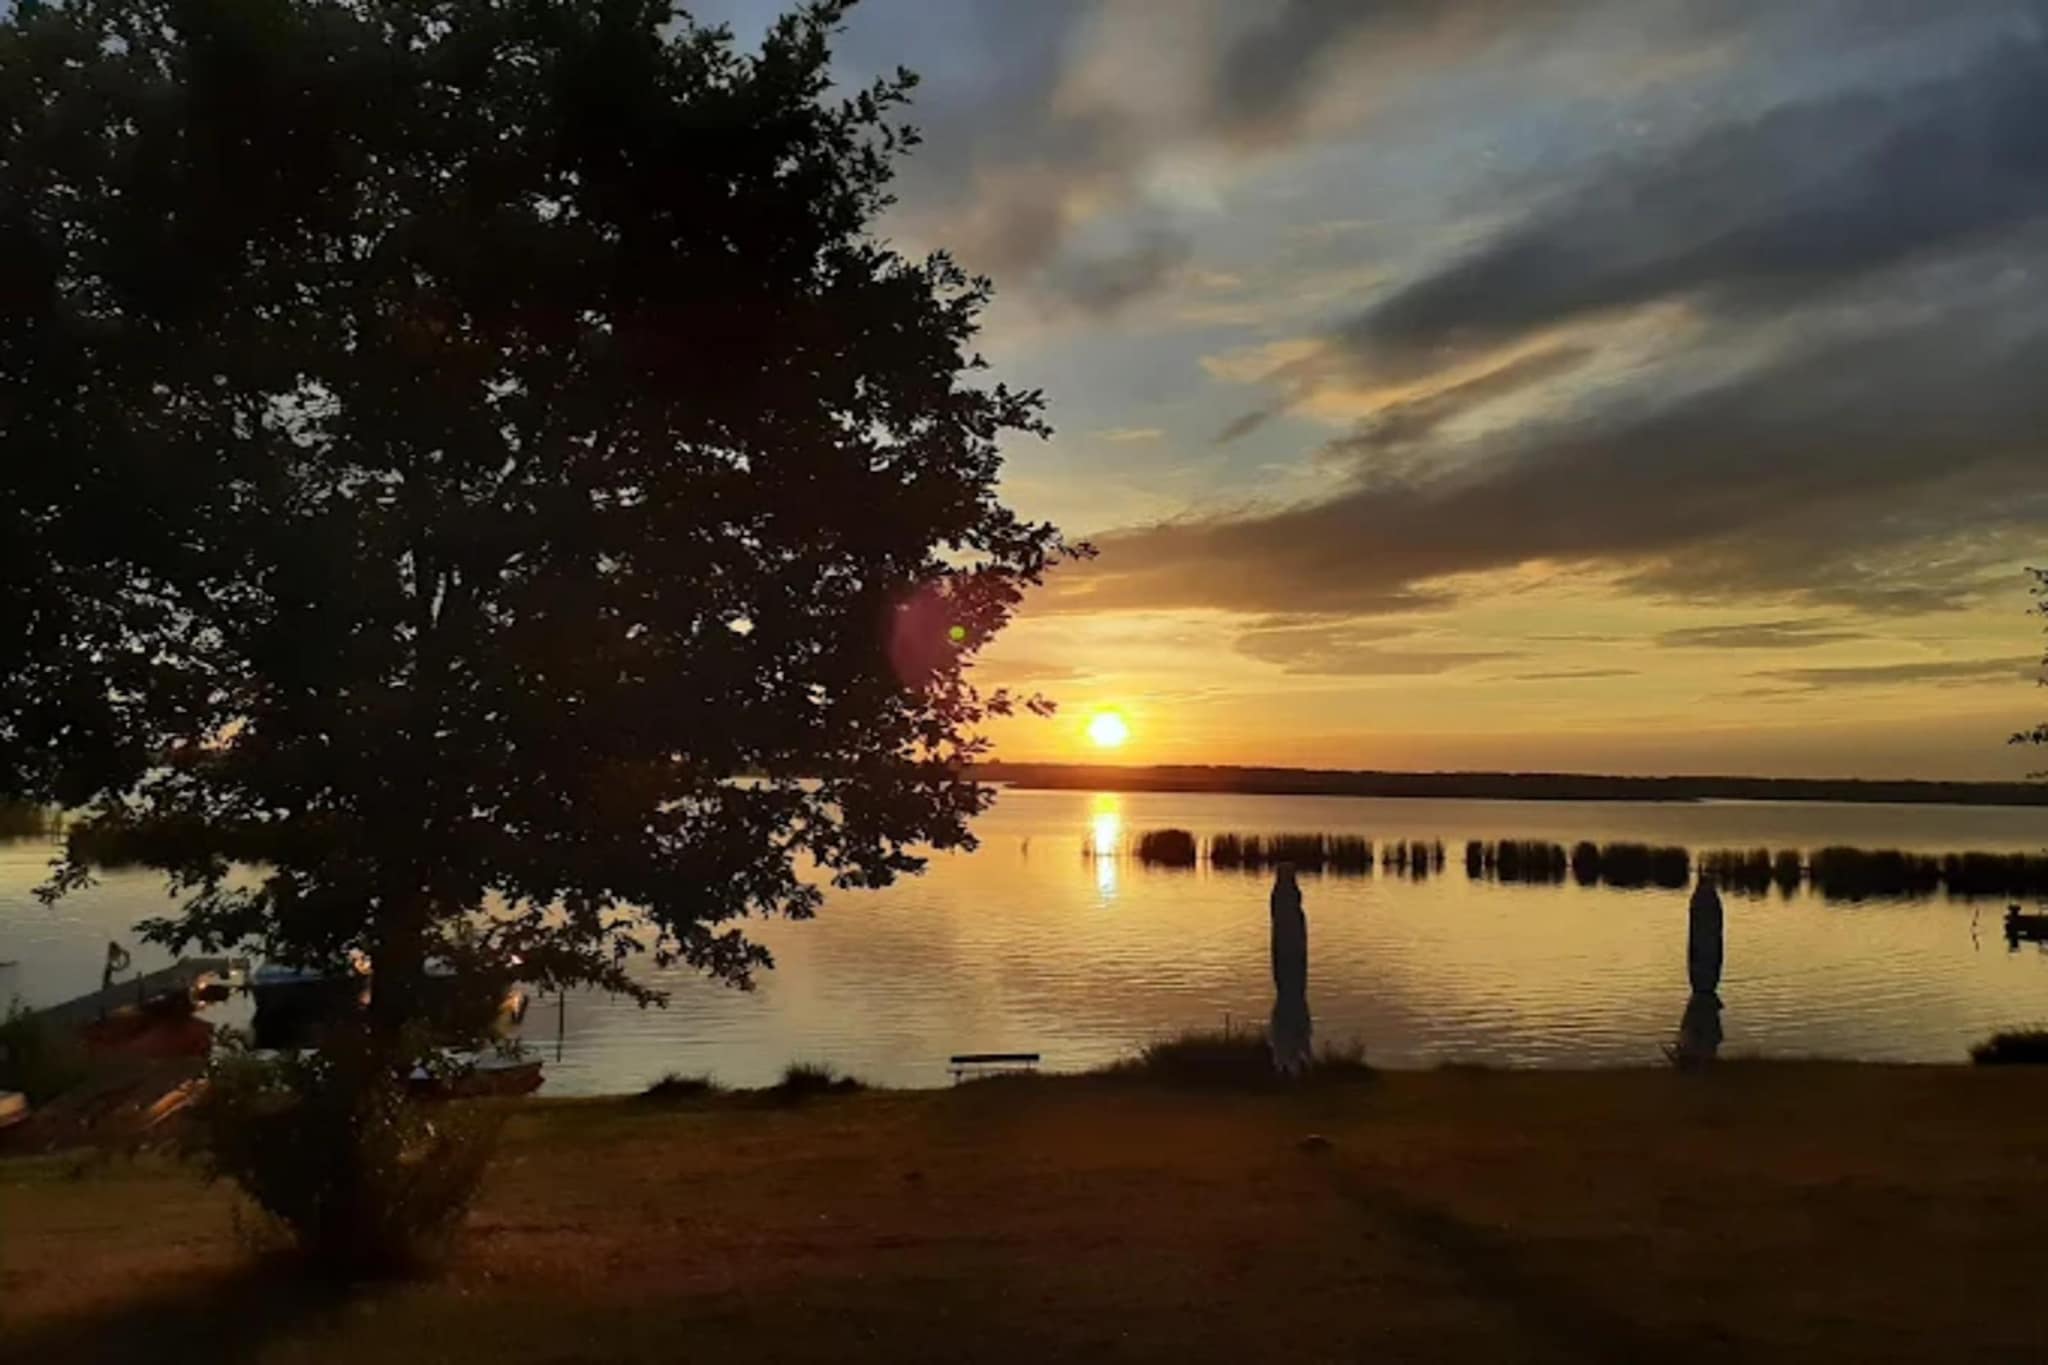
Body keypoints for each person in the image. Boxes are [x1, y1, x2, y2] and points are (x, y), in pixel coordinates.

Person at [1269, 863, 1313, 1077]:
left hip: (1292, 955)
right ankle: (1290, 1056)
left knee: (1292, 996)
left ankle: (1294, 1055)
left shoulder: (1287, 905)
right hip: (1289, 955)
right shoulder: (1284, 904)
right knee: (1291, 996)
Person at [1687, 874, 1725, 998]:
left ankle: (1704, 989)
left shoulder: (1702, 898)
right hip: (1704, 945)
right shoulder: (1708, 898)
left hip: (1707, 946)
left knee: (1706, 953)